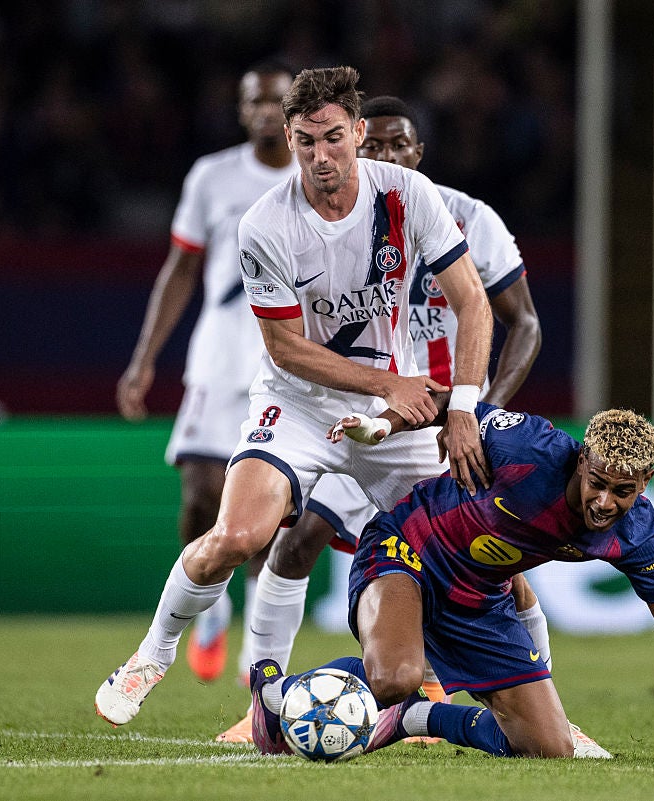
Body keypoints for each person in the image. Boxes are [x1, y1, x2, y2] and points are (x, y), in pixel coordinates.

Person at [94, 65, 494, 728]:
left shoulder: (407, 194)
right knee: (238, 535)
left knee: (476, 549)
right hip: (299, 405)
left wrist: (462, 407)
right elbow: (285, 348)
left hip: (391, 418)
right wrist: (387, 383)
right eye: (306, 141)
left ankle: (537, 701)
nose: (321, 155)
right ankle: (153, 655)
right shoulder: (265, 224)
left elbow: (473, 302)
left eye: (333, 137)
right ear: (289, 138)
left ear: (358, 133)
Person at [216, 94, 555, 744]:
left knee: (496, 561)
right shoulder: (342, 220)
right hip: (367, 419)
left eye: (402, 146)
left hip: (445, 424)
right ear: (359, 149)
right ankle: (263, 695)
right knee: (299, 539)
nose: (390, 157)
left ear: (418, 153)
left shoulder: (465, 218)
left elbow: (525, 323)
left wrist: (478, 411)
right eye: (378, 147)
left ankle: (541, 693)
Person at [248, 398, 654, 762]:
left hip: (478, 599)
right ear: (581, 460)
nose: (604, 502)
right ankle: (272, 691)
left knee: (549, 748)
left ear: (645, 483)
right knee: (395, 676)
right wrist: (392, 424)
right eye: (597, 482)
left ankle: (415, 718)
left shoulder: (638, 536)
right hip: (406, 550)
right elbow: (444, 400)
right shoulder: (529, 447)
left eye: (623, 491)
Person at [114, 62, 297, 685]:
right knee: (199, 489)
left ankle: (256, 652)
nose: (266, 111)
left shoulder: (319, 175)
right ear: (242, 110)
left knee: (272, 506)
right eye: (255, 101)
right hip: (220, 349)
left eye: (277, 101)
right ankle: (211, 604)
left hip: (289, 355)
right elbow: (181, 269)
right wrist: (144, 357)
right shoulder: (213, 177)